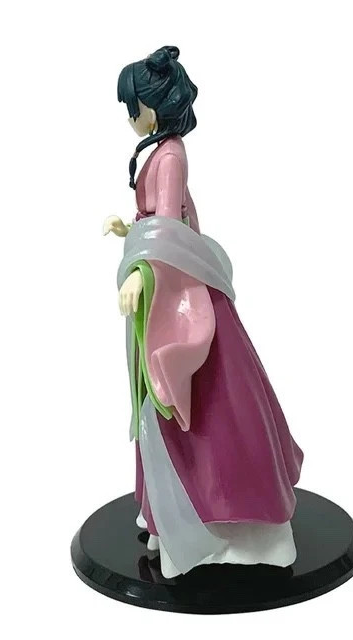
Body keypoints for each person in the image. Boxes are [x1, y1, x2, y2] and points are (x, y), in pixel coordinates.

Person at [103, 46, 304, 578]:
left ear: (152, 106)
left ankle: (228, 524)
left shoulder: (169, 155)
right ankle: (172, 514)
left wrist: (142, 271)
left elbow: (169, 229)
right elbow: (159, 221)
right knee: (171, 403)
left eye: (132, 106)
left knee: (199, 400)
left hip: (180, 291)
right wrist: (131, 231)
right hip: (167, 284)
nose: (129, 116)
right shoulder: (159, 151)